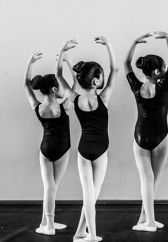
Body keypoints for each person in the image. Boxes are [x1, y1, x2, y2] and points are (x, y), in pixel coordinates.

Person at [55, 37, 119, 242]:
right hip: (101, 150)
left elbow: (58, 76)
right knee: (93, 194)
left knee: (88, 194)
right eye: (100, 76)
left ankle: (80, 232)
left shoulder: (75, 99)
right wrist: (109, 44)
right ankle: (91, 236)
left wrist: (63, 53)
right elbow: (115, 70)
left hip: (84, 150)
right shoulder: (104, 98)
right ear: (96, 81)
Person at [124, 31, 168, 232]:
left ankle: (144, 218)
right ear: (157, 72)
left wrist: (134, 42)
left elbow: (126, 64)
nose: (166, 69)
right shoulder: (163, 86)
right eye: (162, 67)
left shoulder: (137, 87)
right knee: (151, 180)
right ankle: (150, 222)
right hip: (160, 137)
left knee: (148, 181)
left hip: (140, 137)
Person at [24, 52, 76, 236]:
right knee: (52, 187)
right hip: (62, 149)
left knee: (50, 187)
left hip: (45, 149)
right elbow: (75, 85)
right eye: (60, 86)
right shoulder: (64, 106)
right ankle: (50, 226)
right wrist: (69, 63)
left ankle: (45, 221)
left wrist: (30, 62)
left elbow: (26, 85)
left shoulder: (38, 107)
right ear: (55, 89)